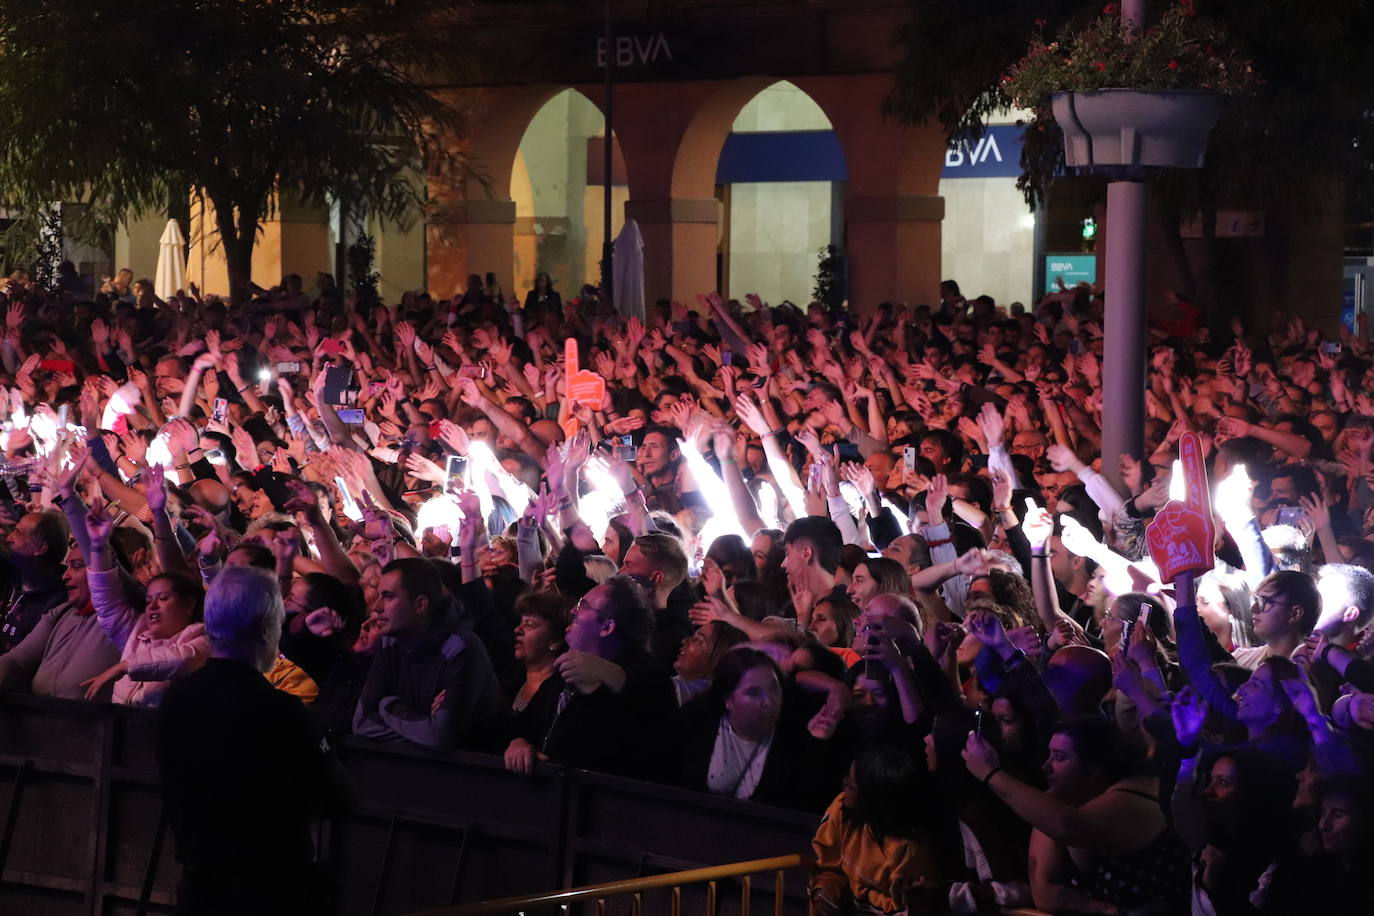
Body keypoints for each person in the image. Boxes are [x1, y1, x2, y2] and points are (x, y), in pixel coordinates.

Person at [157, 565, 354, 915]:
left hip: (198, 891)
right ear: (267, 629)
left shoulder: (176, 699)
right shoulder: (281, 710)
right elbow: (340, 796)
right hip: (269, 893)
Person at [963, 716, 1192, 915]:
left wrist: (991, 773)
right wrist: (1103, 909)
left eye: (1060, 757)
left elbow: (1066, 826)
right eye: (1049, 755)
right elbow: (1044, 893)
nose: (1046, 766)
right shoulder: (1064, 803)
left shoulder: (1131, 796)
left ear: (1095, 769)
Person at [352, 558, 503, 752]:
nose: (377, 607)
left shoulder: (461, 648)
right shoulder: (390, 642)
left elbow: (440, 736)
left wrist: (386, 705)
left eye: (388, 596)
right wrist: (422, 725)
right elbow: (362, 723)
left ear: (420, 605)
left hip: (473, 776)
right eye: (379, 595)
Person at [809, 745, 959, 916]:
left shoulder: (908, 852)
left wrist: (851, 898)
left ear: (872, 798)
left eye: (851, 783)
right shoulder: (842, 810)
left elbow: (903, 910)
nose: (845, 785)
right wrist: (824, 890)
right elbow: (827, 867)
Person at [0, 510, 71, 654]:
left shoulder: (59, 601)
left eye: (19, 533)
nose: (9, 537)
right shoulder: (11, 570)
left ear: (40, 548)